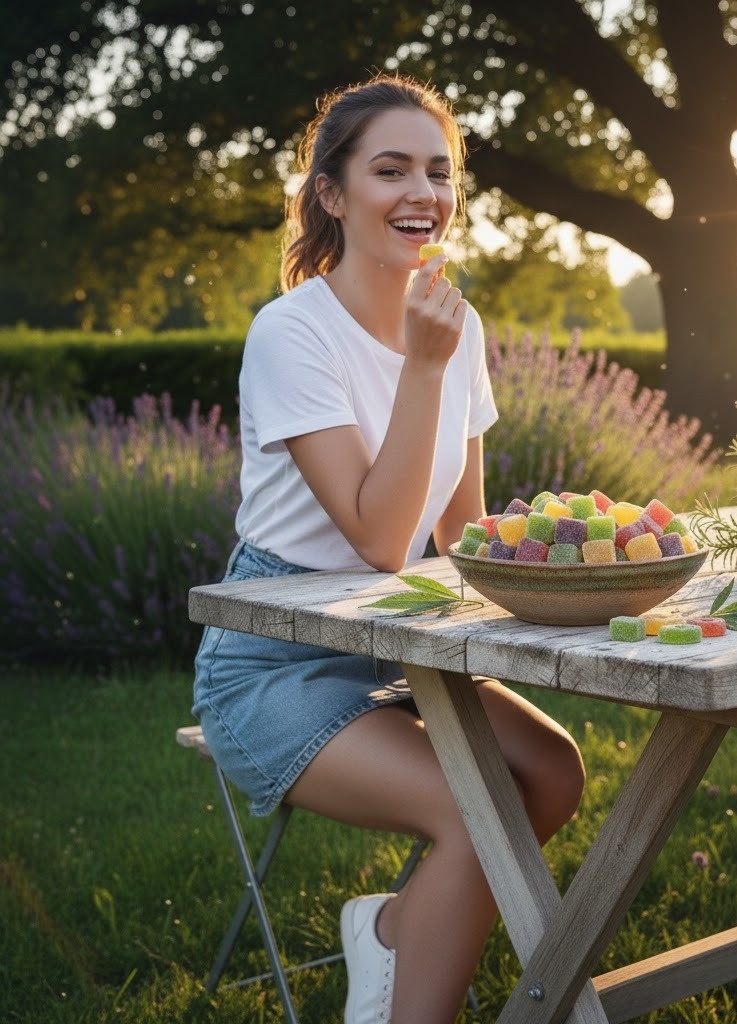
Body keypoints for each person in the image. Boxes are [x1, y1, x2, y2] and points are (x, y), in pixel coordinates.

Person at [192, 74, 586, 1024]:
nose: (424, 193)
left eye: (440, 171)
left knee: (554, 774)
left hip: (402, 641)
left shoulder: (456, 323)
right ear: (331, 192)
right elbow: (376, 539)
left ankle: (394, 932)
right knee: (471, 814)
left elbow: (456, 540)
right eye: (391, 168)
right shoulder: (292, 334)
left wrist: (562, 554)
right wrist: (422, 365)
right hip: (274, 660)